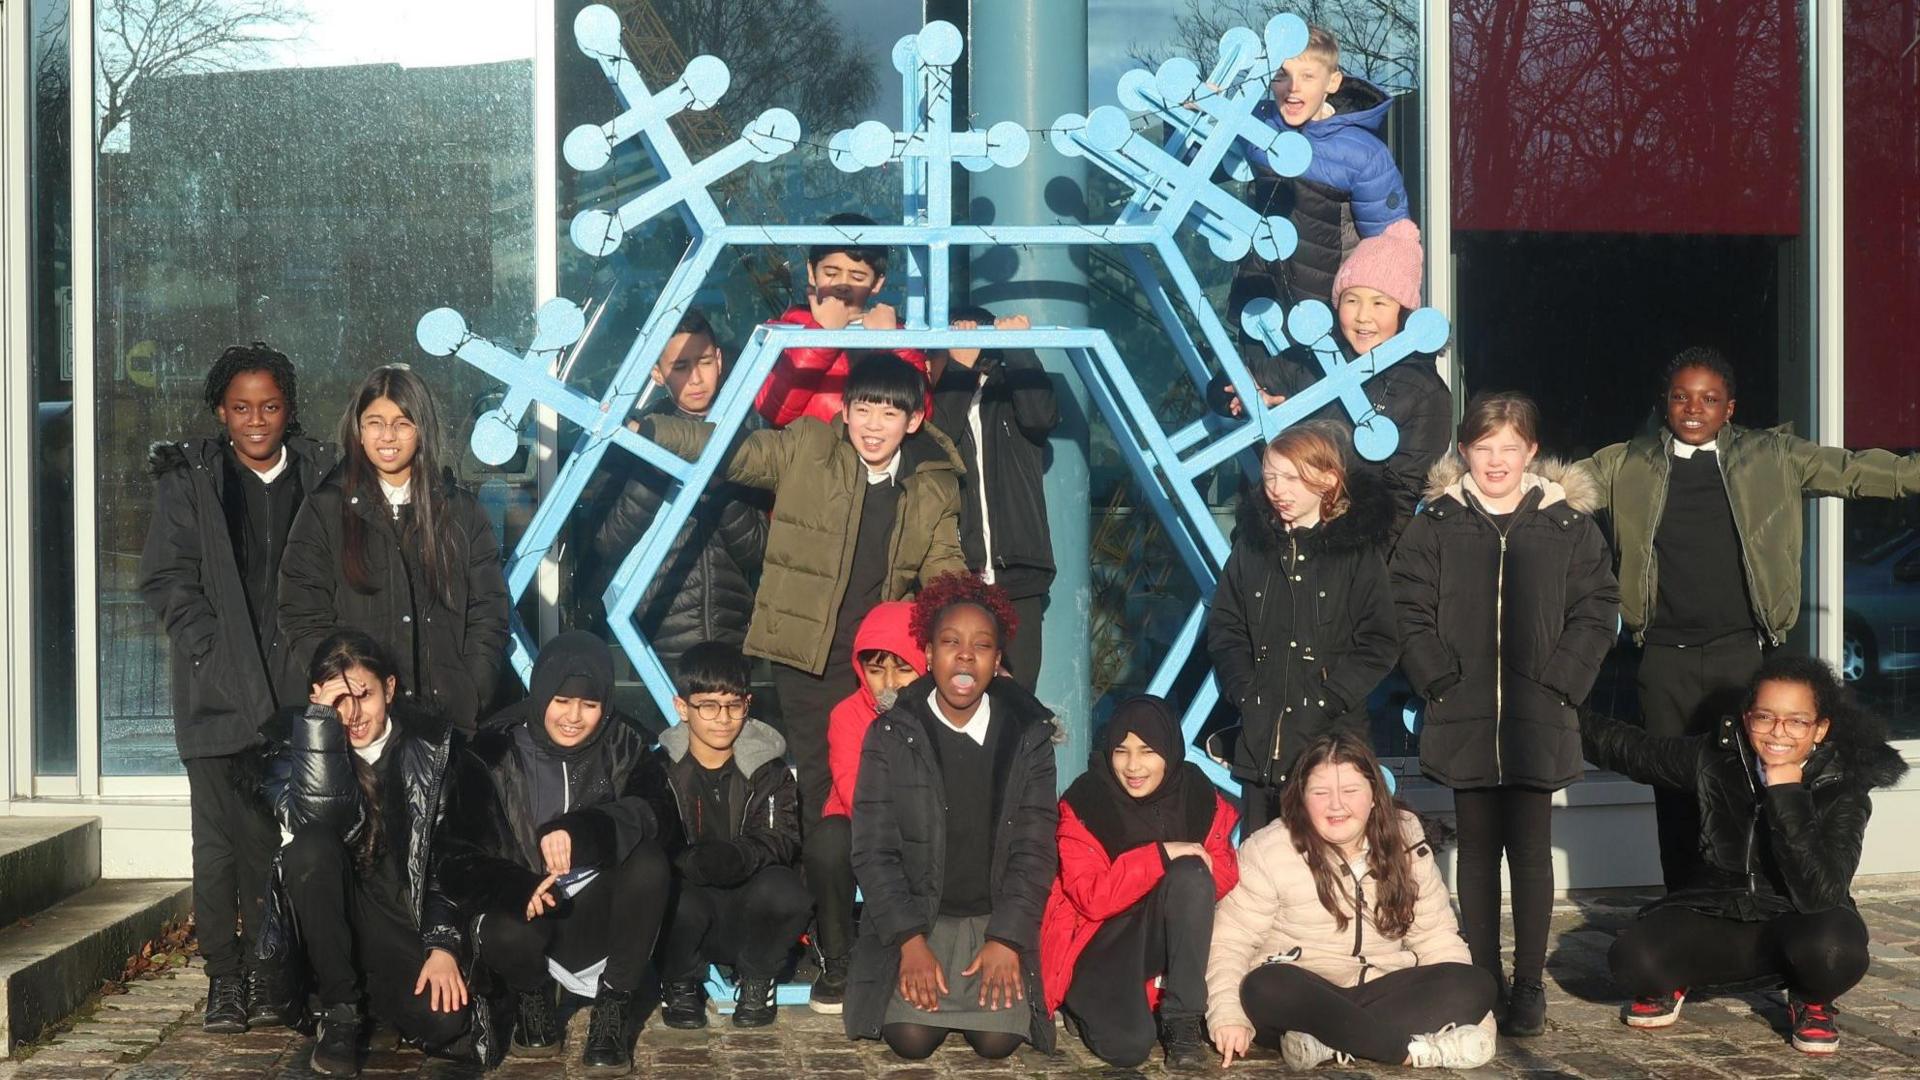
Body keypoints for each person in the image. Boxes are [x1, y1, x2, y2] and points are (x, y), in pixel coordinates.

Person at [639, 353, 966, 975]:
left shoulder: (933, 483)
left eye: (890, 411)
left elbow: (945, 573)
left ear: (914, 420)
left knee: (890, 786)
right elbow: (732, 452)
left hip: (882, 666)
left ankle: (903, 927)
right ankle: (830, 938)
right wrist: (651, 430)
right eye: (863, 408)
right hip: (806, 658)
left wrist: (969, 649)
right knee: (822, 793)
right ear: (845, 411)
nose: (874, 424)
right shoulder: (808, 448)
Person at [1579, 347, 1920, 891]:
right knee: (1673, 793)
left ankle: (1744, 906)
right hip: (1664, 660)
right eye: (1681, 397)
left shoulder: (1772, 456)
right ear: (1664, 404)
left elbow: (1855, 471)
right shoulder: (1625, 463)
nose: (1694, 408)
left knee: (1743, 786)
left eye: (1709, 399)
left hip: (1740, 656)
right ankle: (1684, 909)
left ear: (1730, 408)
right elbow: (1552, 491)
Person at [1390, 391, 1619, 1036]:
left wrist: (1563, 681)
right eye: (1484, 447)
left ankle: (1528, 985)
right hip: (1461, 709)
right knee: (1477, 851)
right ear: (1464, 450)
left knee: (1531, 852)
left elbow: (1598, 607)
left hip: (1538, 711)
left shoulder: (1567, 525)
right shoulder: (1435, 521)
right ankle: (1483, 977)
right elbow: (1406, 603)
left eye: (1509, 448)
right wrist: (1436, 676)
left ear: (1532, 453)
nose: (1496, 460)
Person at [138, 343, 337, 1033]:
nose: (257, 420)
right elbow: (166, 579)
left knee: (281, 842)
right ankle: (227, 979)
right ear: (221, 411)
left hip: (295, 687)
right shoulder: (190, 480)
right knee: (220, 844)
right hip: (214, 689)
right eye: (242, 407)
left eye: (271, 406)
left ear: (289, 410)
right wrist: (210, 650)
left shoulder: (320, 474)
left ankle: (278, 970)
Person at [1580, 656, 1902, 1055]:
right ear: (1747, 718)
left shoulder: (1844, 784)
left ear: (1820, 729)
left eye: (1797, 721)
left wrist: (1787, 795)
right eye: (1765, 717)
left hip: (1798, 921)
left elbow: (1821, 892)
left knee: (1835, 953)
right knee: (1632, 960)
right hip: (1716, 911)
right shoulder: (1715, 756)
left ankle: (1810, 999)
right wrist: (1553, 710)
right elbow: (1630, 750)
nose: (1778, 732)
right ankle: (1678, 979)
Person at [844, 573, 1059, 1060]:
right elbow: (873, 849)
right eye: (950, 643)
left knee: (998, 1043)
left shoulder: (1029, 737)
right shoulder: (891, 734)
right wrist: (909, 943)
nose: (965, 656)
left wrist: (1007, 939)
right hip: (922, 920)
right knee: (910, 1041)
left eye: (982, 646)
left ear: (997, 661)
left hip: (993, 922)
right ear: (927, 655)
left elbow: (1035, 849)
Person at [436, 631, 672, 1071]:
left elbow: (657, 815)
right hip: (523, 915)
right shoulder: (492, 750)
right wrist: (515, 885)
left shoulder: (627, 743)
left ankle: (613, 1007)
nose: (573, 717)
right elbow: (454, 857)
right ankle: (533, 999)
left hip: (593, 915)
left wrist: (585, 831)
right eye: (561, 700)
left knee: (650, 863)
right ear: (541, 692)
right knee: (508, 932)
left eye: (589, 704)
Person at [1205, 733, 1498, 1071]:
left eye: (1350, 791)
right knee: (1264, 985)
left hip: (1381, 988)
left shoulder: (1405, 840)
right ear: (1301, 798)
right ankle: (1405, 1051)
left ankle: (1329, 1044)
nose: (1336, 805)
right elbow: (1229, 941)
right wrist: (1228, 1014)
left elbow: (1437, 938)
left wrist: (1477, 1022)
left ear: (1374, 795)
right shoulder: (1270, 848)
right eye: (1320, 793)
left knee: (1474, 983)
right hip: (1304, 993)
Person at [261, 629, 477, 1077]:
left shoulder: (432, 750)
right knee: (312, 848)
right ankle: (340, 1012)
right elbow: (313, 824)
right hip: (333, 929)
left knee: (445, 1023)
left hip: (402, 922)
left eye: (365, 695)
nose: (354, 714)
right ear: (317, 700)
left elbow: (451, 860)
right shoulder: (293, 747)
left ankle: (375, 1008)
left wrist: (443, 946)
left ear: (391, 689)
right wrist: (320, 729)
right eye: (339, 700)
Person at [278, 365, 511, 735]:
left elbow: (489, 612)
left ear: (422, 430)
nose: (388, 436)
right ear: (358, 428)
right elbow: (301, 613)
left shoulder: (461, 512)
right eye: (375, 422)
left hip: (445, 723)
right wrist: (343, 689)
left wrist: (472, 689)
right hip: (357, 724)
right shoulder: (324, 509)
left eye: (403, 423)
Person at [1206, 427, 1399, 833]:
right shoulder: (1251, 547)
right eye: (1271, 476)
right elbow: (1226, 627)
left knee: (1326, 869)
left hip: (1330, 743)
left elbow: (1379, 641)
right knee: (1262, 867)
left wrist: (1329, 697)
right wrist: (1243, 689)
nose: (1277, 489)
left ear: (1328, 480)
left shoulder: (1357, 551)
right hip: (1262, 742)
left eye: (1292, 478)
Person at [1212, 221, 1449, 549]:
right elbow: (1231, 382)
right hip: (1274, 543)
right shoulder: (1312, 359)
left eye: (1380, 303)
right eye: (1352, 300)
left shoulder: (1425, 393)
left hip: (1351, 556)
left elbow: (1402, 499)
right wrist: (1241, 394)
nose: (1363, 316)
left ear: (1404, 311)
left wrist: (1351, 565)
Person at [1041, 695, 1240, 1069]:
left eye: (1147, 751)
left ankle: (1182, 1023)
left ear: (1169, 751)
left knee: (1193, 875)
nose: (1133, 766)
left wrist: (1180, 871)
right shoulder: (1086, 802)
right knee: (1126, 1049)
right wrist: (1160, 855)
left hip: (1157, 940)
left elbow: (1225, 871)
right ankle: (1080, 1004)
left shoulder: (1197, 795)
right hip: (1101, 945)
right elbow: (1092, 897)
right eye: (1121, 751)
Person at [582, 309, 766, 688]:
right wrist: (658, 467)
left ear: (719, 359)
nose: (696, 379)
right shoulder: (634, 438)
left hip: (736, 636)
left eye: (703, 362)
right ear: (656, 373)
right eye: (680, 367)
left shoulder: (752, 433)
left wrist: (718, 481)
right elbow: (606, 542)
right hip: (653, 637)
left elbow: (757, 550)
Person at [655, 642, 809, 1030]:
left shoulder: (769, 769)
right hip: (691, 910)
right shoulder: (661, 769)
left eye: (733, 705)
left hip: (749, 909)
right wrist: (689, 861)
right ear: (682, 708)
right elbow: (653, 835)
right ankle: (679, 981)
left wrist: (738, 856)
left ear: (747, 704)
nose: (722, 718)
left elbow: (781, 837)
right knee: (662, 888)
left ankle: (757, 979)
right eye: (708, 705)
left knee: (788, 889)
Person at [1227, 25, 1411, 343]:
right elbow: (1195, 163)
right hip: (1260, 305)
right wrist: (1196, 115)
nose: (1293, 88)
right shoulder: (1256, 129)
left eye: (1308, 76)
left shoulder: (1363, 154)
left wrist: (1394, 328)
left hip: (1325, 315)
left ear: (1332, 81)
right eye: (1282, 75)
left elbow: (1389, 246)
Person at [926, 306, 1059, 689]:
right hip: (956, 574)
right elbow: (937, 445)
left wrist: (1017, 348)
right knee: (955, 689)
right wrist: (958, 371)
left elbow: (1040, 416)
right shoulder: (935, 400)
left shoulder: (1009, 396)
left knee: (1017, 697)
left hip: (1018, 572)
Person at [809, 600, 926, 1014]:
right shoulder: (847, 715)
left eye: (903, 668)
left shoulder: (940, 713)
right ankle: (837, 959)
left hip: (921, 828)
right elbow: (851, 786)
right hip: (859, 824)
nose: (889, 684)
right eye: (876, 670)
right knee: (828, 842)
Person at [754, 212, 929, 428]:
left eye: (857, 277)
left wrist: (894, 343)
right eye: (831, 272)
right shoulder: (787, 330)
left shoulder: (894, 331)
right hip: (811, 459)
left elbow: (922, 416)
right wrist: (822, 335)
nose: (842, 284)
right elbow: (774, 411)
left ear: (877, 283)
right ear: (812, 272)